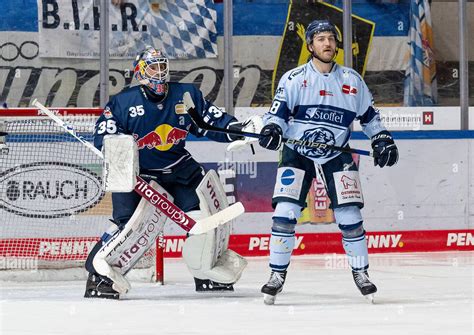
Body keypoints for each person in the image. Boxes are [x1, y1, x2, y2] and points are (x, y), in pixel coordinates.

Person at [84, 46, 253, 299]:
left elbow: (211, 122)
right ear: (140, 72)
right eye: (154, 67)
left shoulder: (186, 95)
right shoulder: (123, 102)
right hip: (138, 175)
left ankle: (205, 271)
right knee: (128, 228)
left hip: (179, 170)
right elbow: (104, 136)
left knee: (206, 218)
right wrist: (113, 143)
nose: (160, 72)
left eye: (163, 66)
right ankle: (99, 276)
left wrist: (238, 128)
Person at [257, 20, 399, 304]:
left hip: (337, 152)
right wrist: (271, 129)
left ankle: (361, 273)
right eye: (320, 39)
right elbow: (277, 116)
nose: (327, 43)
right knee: (285, 212)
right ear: (310, 45)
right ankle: (276, 274)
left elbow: (370, 118)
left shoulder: (351, 80)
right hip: (297, 151)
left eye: (331, 39)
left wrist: (382, 138)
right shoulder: (294, 78)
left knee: (350, 216)